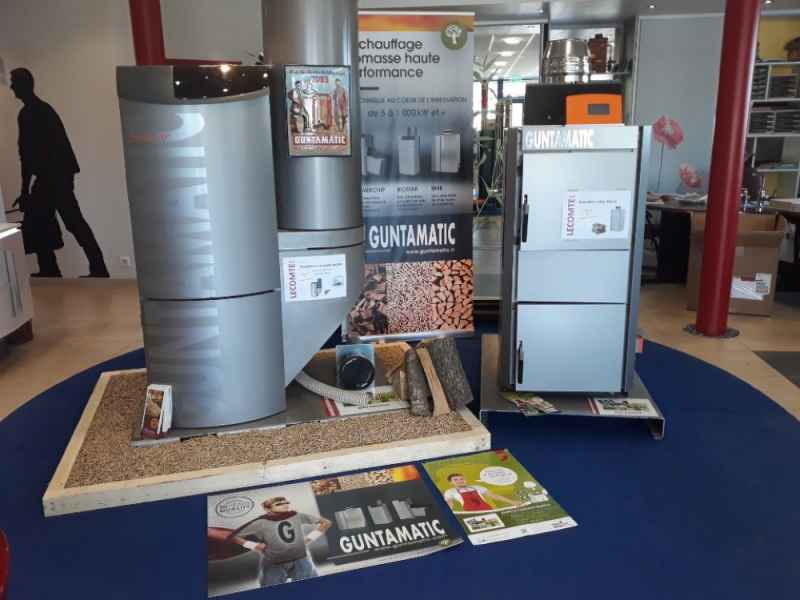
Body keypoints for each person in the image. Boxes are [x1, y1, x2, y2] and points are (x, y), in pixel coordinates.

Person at [10, 67, 109, 277]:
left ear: (23, 85)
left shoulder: (31, 113)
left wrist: (25, 191)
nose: (11, 87)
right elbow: (28, 155)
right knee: (46, 220)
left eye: (14, 82)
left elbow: (26, 156)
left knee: (64, 221)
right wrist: (26, 191)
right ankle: (67, 268)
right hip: (57, 175)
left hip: (54, 176)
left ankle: (90, 268)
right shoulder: (40, 110)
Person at [228, 496, 331, 587]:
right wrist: (254, 545)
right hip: (274, 561)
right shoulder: (260, 522)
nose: (285, 505)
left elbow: (326, 523)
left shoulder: (296, 515)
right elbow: (233, 536)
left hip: (300, 558)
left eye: (286, 502)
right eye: (279, 504)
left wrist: (309, 539)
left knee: (311, 588)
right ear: (267, 508)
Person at [443, 473, 521, 512]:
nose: (460, 481)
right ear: (451, 482)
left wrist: (512, 502)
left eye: (461, 479)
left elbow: (494, 496)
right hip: (470, 513)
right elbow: (449, 504)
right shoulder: (450, 491)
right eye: (455, 480)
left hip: (487, 509)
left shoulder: (476, 487)